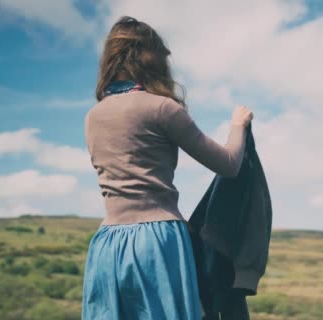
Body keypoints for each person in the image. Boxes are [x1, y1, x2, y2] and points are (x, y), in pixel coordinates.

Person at [82, 16, 253, 319]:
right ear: (153, 59)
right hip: (157, 241)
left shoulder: (93, 116)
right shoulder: (162, 108)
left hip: (108, 243)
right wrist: (237, 126)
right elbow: (229, 165)